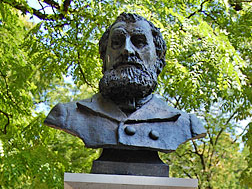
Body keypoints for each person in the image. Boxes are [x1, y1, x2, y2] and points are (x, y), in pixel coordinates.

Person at [44, 13, 205, 174]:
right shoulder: (67, 115)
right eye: (116, 43)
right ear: (104, 58)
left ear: (159, 60)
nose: (127, 50)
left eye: (139, 42)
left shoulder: (186, 124)